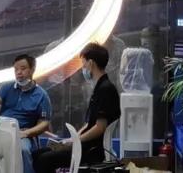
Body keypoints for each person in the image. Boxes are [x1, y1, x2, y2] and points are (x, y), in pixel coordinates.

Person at [34, 43, 121, 173]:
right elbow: (89, 124)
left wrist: (76, 141)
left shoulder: (106, 90)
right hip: (84, 144)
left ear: (91, 63)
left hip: (92, 150)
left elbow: (100, 127)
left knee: (44, 160)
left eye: (83, 64)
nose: (83, 68)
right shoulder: (100, 88)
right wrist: (71, 140)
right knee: (38, 154)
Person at [0, 54, 52, 173]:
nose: (19, 72)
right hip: (1, 128)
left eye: (23, 69)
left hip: (22, 132)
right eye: (16, 69)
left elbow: (44, 123)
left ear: (32, 70)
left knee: (23, 150)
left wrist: (26, 133)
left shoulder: (41, 95)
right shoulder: (7, 87)